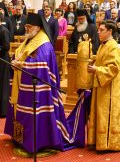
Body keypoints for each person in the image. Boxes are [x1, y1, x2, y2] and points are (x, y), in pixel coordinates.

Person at [4, 13, 82, 153]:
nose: (26, 29)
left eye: (29, 26)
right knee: (22, 112)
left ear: (38, 27)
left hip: (39, 89)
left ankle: (36, 142)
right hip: (22, 85)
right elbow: (19, 53)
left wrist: (22, 65)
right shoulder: (29, 39)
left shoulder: (44, 43)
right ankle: (20, 139)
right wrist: (14, 60)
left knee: (35, 113)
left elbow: (41, 64)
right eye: (26, 26)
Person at [87, 20, 120, 151]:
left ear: (110, 31)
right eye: (98, 30)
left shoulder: (113, 46)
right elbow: (104, 59)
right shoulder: (103, 45)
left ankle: (109, 143)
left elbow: (113, 68)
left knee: (107, 113)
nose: (98, 32)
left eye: (102, 30)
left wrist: (97, 69)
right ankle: (98, 141)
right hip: (103, 85)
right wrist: (94, 59)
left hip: (110, 88)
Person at [0, 13, 11, 118]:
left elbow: (6, 46)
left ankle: (3, 111)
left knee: (3, 85)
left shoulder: (3, 30)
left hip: (3, 60)